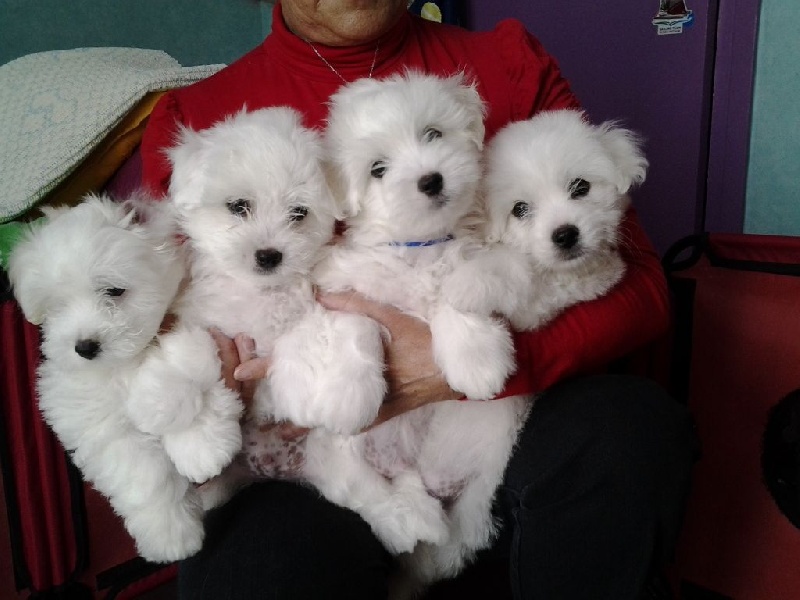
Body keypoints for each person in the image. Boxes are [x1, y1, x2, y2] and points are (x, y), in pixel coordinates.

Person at [139, 2, 697, 598]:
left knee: (628, 429)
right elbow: (159, 321)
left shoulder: (503, 63)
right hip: (310, 447)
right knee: (256, 567)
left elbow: (644, 289)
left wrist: (459, 367)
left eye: (434, 137)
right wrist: (226, 387)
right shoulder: (197, 119)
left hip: (499, 412)